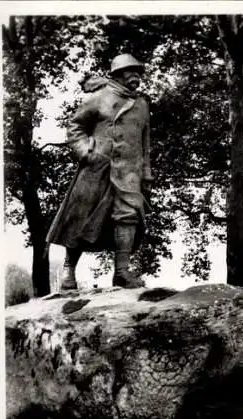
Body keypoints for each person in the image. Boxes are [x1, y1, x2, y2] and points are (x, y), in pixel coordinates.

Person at [46, 54, 153, 290]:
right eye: (129, 71)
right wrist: (85, 151)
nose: (135, 75)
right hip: (98, 167)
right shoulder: (99, 97)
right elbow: (75, 125)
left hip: (129, 171)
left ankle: (122, 272)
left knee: (128, 217)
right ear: (116, 74)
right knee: (79, 218)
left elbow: (146, 142)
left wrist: (146, 172)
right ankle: (68, 272)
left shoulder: (142, 104)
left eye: (137, 71)